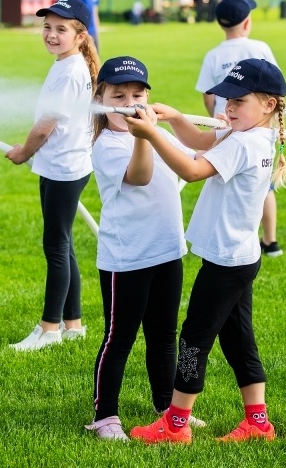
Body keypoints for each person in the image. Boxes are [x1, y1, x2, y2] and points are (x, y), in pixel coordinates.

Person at [125, 58, 286, 444]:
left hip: (225, 263)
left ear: (268, 104)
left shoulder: (244, 142)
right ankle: (258, 422)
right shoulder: (253, 133)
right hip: (239, 257)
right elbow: (201, 141)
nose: (227, 108)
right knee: (238, 340)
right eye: (226, 100)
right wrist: (177, 118)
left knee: (192, 341)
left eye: (238, 101)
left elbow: (193, 169)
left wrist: (151, 133)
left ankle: (175, 425)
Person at [85, 57, 204, 440]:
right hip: (127, 257)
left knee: (164, 335)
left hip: (168, 250)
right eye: (118, 95)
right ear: (100, 98)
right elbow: (140, 176)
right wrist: (145, 136)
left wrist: (174, 124)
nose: (129, 102)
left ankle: (167, 407)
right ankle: (105, 416)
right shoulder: (106, 144)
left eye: (137, 94)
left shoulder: (157, 133)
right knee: (119, 337)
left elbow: (194, 160)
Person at [6, 0, 99, 351]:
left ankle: (49, 329)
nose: (51, 34)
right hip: (62, 164)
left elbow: (45, 127)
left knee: (56, 246)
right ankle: (73, 324)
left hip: (64, 169)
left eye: (62, 29)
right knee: (64, 243)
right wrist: (32, 151)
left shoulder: (71, 70)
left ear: (79, 36)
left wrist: (23, 152)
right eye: (47, 27)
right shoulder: (67, 64)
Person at [195, 0, 282, 256]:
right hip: (253, 127)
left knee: (232, 184)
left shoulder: (213, 55)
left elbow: (208, 94)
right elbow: (276, 86)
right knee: (261, 186)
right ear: (247, 23)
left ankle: (248, 240)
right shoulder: (260, 47)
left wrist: (216, 117)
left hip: (229, 126)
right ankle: (270, 240)